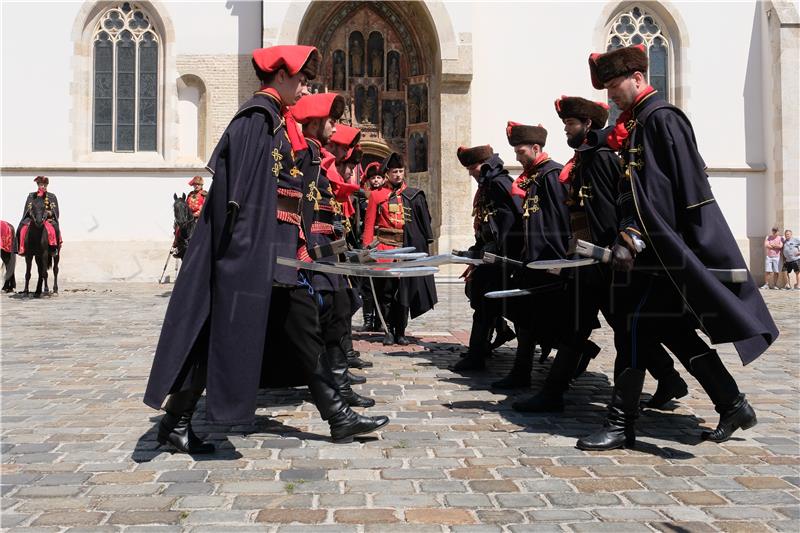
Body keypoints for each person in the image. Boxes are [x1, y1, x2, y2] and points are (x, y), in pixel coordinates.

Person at [144, 45, 387, 454]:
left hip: (270, 257)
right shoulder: (257, 120)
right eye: (302, 79)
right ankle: (176, 421)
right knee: (214, 336)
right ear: (281, 76)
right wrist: (243, 259)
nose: (305, 88)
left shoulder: (273, 120)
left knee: (299, 327)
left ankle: (338, 416)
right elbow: (239, 197)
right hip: (249, 256)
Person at [576, 44, 778, 451]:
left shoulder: (662, 119)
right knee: (673, 331)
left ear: (637, 79)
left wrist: (636, 238)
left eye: (615, 86)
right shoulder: (639, 123)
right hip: (653, 249)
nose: (610, 96)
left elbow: (674, 191)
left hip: (664, 252)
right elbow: (636, 192)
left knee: (632, 329)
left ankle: (620, 423)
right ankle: (733, 403)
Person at [512, 96, 686, 412]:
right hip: (587, 261)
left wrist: (612, 252)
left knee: (611, 327)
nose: (566, 130)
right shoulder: (585, 159)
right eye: (565, 124)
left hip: (603, 262)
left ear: (588, 125)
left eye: (570, 124)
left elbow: (612, 210)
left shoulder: (603, 158)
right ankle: (667, 377)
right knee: (580, 326)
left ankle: (557, 393)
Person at [291, 92, 376, 408]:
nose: (335, 127)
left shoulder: (316, 158)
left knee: (339, 312)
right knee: (331, 316)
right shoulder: (306, 159)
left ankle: (339, 384)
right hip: (317, 255)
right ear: (315, 123)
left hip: (328, 252)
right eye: (332, 121)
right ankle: (335, 388)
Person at [498, 122, 571, 388]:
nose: (517, 157)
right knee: (525, 318)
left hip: (549, 261)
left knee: (551, 320)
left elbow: (559, 221)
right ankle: (521, 372)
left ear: (536, 148)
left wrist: (557, 261)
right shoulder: (536, 176)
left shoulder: (552, 175)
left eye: (520, 152)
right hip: (534, 261)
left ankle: (529, 373)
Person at [450, 145, 522, 372]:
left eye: (474, 168)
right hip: (490, 252)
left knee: (486, 303)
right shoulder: (487, 186)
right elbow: (486, 226)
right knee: (478, 296)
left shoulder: (500, 184)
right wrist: (474, 250)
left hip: (502, 256)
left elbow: (512, 224)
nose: (471, 173)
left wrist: (503, 255)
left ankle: (477, 355)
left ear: (486, 164)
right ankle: (496, 336)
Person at [361, 153, 437, 345]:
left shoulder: (412, 195)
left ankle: (401, 331)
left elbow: (423, 223)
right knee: (386, 292)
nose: (398, 175)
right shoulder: (377, 196)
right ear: (387, 173)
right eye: (394, 171)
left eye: (400, 171)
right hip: (385, 248)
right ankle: (387, 330)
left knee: (403, 293)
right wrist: (366, 249)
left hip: (405, 249)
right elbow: (369, 225)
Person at [17, 176, 61, 257]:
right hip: (33, 219)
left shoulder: (52, 196)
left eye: (45, 185)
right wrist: (32, 214)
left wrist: (49, 213)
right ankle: (20, 248)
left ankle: (54, 249)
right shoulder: (31, 196)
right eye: (41, 184)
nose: (43, 186)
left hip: (47, 219)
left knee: (56, 228)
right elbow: (28, 209)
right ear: (38, 185)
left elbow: (55, 211)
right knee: (20, 228)